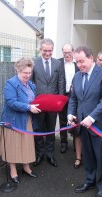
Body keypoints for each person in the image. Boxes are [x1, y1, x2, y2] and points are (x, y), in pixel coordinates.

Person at [68, 45, 102, 197]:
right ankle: (90, 181)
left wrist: (92, 117)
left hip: (99, 125)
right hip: (82, 124)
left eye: (81, 61)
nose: (79, 65)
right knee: (87, 156)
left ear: (91, 58)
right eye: (77, 62)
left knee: (101, 158)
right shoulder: (77, 76)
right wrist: (70, 113)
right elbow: (73, 98)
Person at [0, 57, 41, 184]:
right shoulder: (10, 83)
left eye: (29, 73)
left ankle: (26, 167)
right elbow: (11, 102)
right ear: (18, 70)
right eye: (25, 73)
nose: (28, 75)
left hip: (27, 119)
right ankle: (13, 170)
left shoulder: (30, 84)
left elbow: (33, 98)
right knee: (13, 146)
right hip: (13, 121)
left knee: (26, 144)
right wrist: (29, 107)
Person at [32, 38, 65, 167]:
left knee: (51, 130)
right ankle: (39, 154)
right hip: (39, 104)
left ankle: (50, 155)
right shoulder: (34, 63)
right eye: (45, 50)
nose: (47, 53)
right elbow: (31, 82)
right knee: (39, 129)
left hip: (52, 104)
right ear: (40, 50)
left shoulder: (58, 64)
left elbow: (61, 82)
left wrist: (60, 100)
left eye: (50, 51)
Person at [58, 43, 83, 168]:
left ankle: (76, 144)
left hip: (76, 96)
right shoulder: (58, 63)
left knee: (74, 118)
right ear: (62, 52)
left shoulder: (78, 64)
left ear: (73, 52)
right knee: (63, 119)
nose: (67, 54)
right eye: (65, 52)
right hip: (62, 95)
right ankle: (63, 142)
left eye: (69, 52)